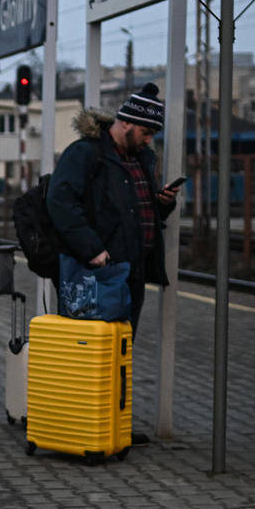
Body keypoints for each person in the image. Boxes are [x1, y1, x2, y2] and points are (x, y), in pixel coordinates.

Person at [47, 82, 180, 334]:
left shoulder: (141, 159)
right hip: (97, 273)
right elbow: (60, 201)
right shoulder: (86, 152)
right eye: (145, 132)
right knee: (91, 350)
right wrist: (93, 249)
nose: (149, 139)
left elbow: (137, 211)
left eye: (153, 133)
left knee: (122, 350)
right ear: (126, 123)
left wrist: (162, 204)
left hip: (132, 272)